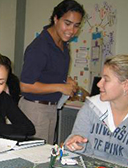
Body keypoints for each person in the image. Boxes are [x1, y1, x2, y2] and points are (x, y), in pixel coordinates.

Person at [65, 54, 128, 168]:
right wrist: (74, 143)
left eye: (106, 79)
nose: (99, 84)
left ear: (125, 85)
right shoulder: (90, 109)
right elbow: (74, 146)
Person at [19, 0, 85, 144]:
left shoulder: (63, 44)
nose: (71, 30)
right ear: (56, 18)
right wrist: (60, 87)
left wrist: (66, 80)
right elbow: (25, 85)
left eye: (76, 26)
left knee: (47, 155)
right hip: (34, 109)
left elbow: (49, 71)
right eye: (67, 23)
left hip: (51, 107)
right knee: (35, 158)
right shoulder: (40, 47)